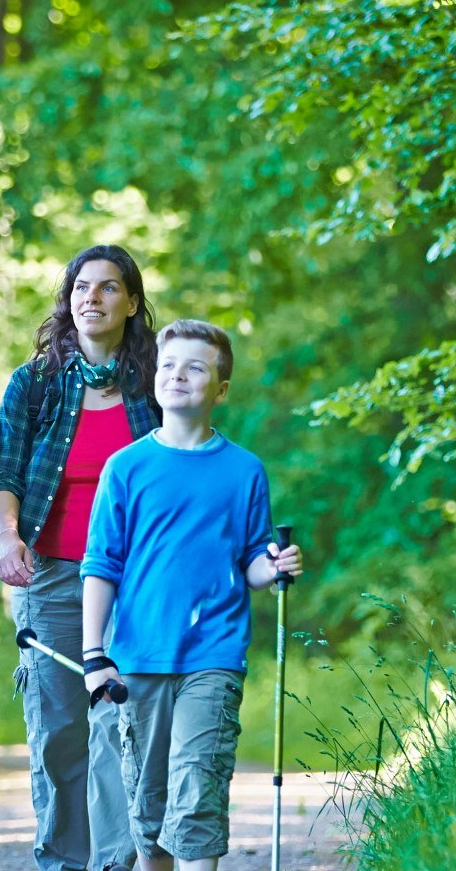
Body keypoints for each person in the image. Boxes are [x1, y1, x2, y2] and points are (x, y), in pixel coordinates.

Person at [80, 319, 305, 871]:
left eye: (195, 367)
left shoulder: (244, 470)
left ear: (220, 389)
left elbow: (251, 558)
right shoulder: (126, 468)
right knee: (147, 809)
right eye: (168, 365)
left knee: (197, 791)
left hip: (214, 656)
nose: (178, 375)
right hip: (137, 657)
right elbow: (101, 565)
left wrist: (273, 567)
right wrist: (93, 654)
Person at [0, 244, 159, 871]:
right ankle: (61, 861)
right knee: (57, 729)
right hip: (52, 576)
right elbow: (2, 474)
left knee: (117, 725)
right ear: (68, 300)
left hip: (135, 581)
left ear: (131, 303)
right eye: (81, 287)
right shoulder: (34, 383)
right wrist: (9, 539)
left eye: (109, 287)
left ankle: (115, 862)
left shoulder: (156, 383)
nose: (92, 297)